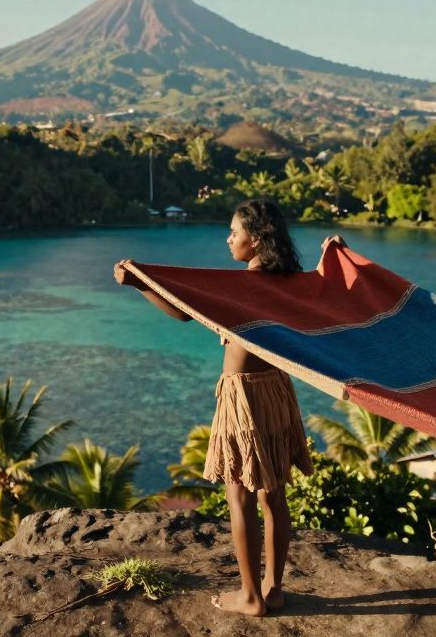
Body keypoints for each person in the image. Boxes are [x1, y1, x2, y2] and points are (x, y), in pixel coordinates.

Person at [113, 199, 313, 616]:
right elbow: (333, 294)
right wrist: (336, 252)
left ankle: (251, 597)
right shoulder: (290, 280)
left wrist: (139, 283)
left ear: (254, 240)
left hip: (244, 397)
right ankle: (274, 590)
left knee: (239, 496)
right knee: (273, 496)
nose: (228, 239)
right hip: (277, 390)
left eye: (234, 232)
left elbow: (185, 314)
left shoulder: (239, 286)